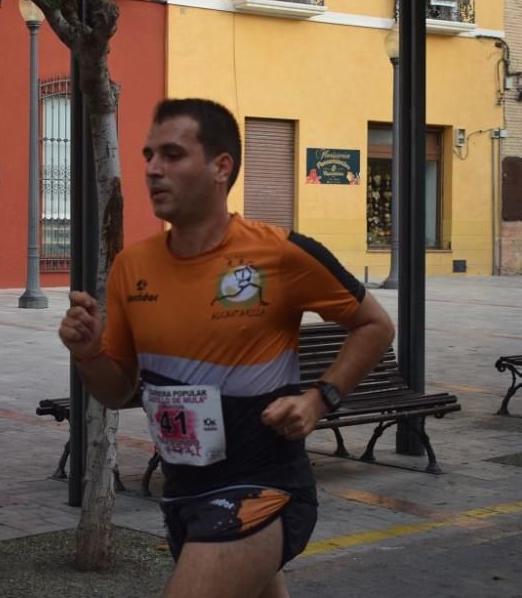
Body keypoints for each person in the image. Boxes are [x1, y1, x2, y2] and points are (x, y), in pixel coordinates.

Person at [59, 99, 395, 598]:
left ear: (222, 167)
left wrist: (320, 397)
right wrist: (87, 352)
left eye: (172, 154)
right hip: (182, 490)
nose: (152, 169)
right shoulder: (132, 267)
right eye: (148, 155)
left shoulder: (280, 252)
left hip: (263, 484)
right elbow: (115, 391)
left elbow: (375, 325)